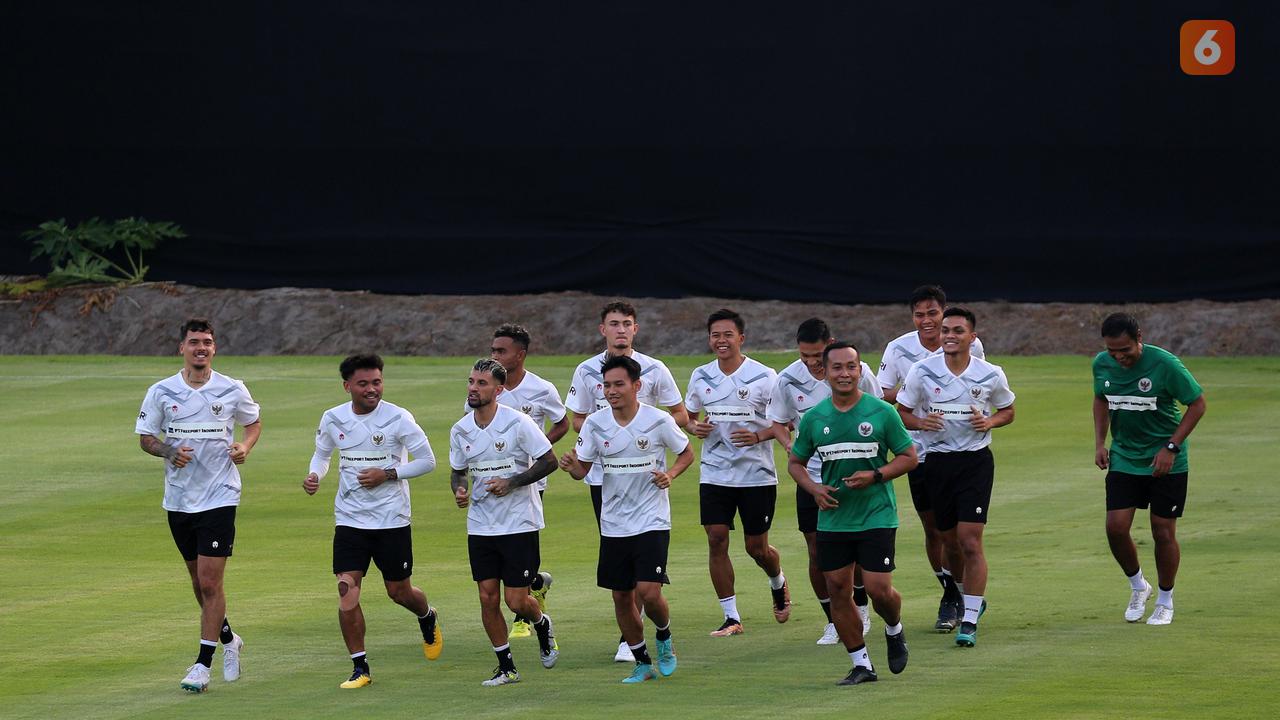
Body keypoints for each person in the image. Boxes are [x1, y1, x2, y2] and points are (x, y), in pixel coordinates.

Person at [135, 319, 261, 693]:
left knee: (210, 581)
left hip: (220, 495)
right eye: (194, 342)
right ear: (182, 348)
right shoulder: (161, 392)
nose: (200, 348)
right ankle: (228, 639)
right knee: (198, 582)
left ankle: (202, 665)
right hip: (178, 498)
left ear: (214, 348)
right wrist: (169, 450)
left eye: (206, 342)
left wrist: (245, 447)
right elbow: (145, 438)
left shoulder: (232, 388)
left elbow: (253, 423)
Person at [303, 353, 441, 689]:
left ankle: (427, 616)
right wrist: (314, 475)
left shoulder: (398, 418)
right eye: (363, 383)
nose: (371, 389)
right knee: (346, 591)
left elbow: (428, 461)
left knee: (399, 591)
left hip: (391, 519)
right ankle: (360, 668)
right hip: (350, 520)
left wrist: (388, 474)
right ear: (347, 386)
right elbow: (323, 454)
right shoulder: (333, 418)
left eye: (376, 382)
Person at [563, 300, 688, 661]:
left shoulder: (655, 370)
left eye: (626, 323)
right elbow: (577, 421)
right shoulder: (586, 371)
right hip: (605, 478)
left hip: (645, 479)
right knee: (621, 570)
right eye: (614, 323)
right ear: (603, 329)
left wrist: (645, 433)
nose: (621, 329)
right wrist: (595, 445)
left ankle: (631, 639)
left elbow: (678, 415)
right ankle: (633, 640)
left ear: (635, 328)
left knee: (645, 580)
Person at [788, 342, 917, 685]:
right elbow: (795, 463)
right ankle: (861, 663)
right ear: (825, 373)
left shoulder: (881, 412)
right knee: (838, 590)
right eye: (837, 368)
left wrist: (875, 476)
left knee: (878, 590)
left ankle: (894, 628)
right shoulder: (815, 418)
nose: (844, 374)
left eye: (851, 367)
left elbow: (909, 457)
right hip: (833, 518)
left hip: (876, 514)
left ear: (861, 370)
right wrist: (814, 489)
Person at [896, 307, 1015, 648]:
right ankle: (967, 597)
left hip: (975, 462)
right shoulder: (922, 371)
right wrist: (921, 423)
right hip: (936, 462)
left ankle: (970, 620)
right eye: (946, 330)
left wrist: (990, 422)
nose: (949, 335)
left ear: (972, 337)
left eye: (957, 331)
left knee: (970, 540)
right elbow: (902, 411)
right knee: (947, 540)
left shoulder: (990, 373)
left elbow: (1008, 410)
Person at [767, 318, 882, 645]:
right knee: (817, 550)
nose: (812, 363)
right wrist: (788, 444)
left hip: (853, 475)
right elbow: (777, 421)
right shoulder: (787, 379)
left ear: (830, 343)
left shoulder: (858, 371)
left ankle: (859, 607)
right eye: (805, 356)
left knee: (855, 550)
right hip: (812, 478)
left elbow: (879, 411)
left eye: (817, 355)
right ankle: (833, 618)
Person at [877, 284, 984, 631]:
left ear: (944, 312)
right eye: (919, 315)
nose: (926, 321)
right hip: (918, 451)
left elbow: (977, 385)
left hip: (959, 449)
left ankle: (960, 598)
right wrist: (916, 384)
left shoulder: (970, 344)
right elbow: (883, 395)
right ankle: (950, 590)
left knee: (962, 533)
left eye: (933, 313)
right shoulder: (898, 349)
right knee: (933, 528)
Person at [451, 359, 561, 686]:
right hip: (481, 525)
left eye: (482, 383)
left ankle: (541, 624)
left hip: (519, 523)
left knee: (515, 600)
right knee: (487, 596)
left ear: (498, 390)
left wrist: (512, 482)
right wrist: (459, 488)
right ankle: (506, 666)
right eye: (471, 381)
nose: (473, 388)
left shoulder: (519, 423)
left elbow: (549, 461)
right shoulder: (461, 429)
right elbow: (458, 469)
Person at [1093, 312, 1206, 626]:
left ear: (1139, 338)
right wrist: (1100, 442)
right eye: (1113, 351)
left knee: (1162, 530)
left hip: (1165, 460)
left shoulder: (1165, 364)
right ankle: (1138, 585)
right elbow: (1101, 398)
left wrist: (1171, 447)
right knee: (1115, 527)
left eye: (1125, 351)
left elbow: (1197, 404)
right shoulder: (1101, 363)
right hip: (1125, 457)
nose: (1119, 358)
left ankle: (1165, 600)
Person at [685, 308, 791, 637]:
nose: (721, 340)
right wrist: (695, 427)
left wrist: (758, 436)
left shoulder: (764, 376)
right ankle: (731, 617)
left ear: (740, 338)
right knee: (716, 539)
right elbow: (687, 417)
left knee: (756, 548)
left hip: (756, 475)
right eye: (715, 335)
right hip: (714, 473)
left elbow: (783, 422)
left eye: (728, 334)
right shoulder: (700, 376)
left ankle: (778, 582)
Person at [484, 324, 566, 640]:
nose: (495, 356)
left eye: (501, 351)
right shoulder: (486, 386)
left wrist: (538, 446)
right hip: (494, 480)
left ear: (520, 354)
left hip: (531, 481)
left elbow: (563, 423)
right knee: (498, 545)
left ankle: (522, 612)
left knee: (520, 544)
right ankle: (535, 587)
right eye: (493, 350)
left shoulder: (542, 389)